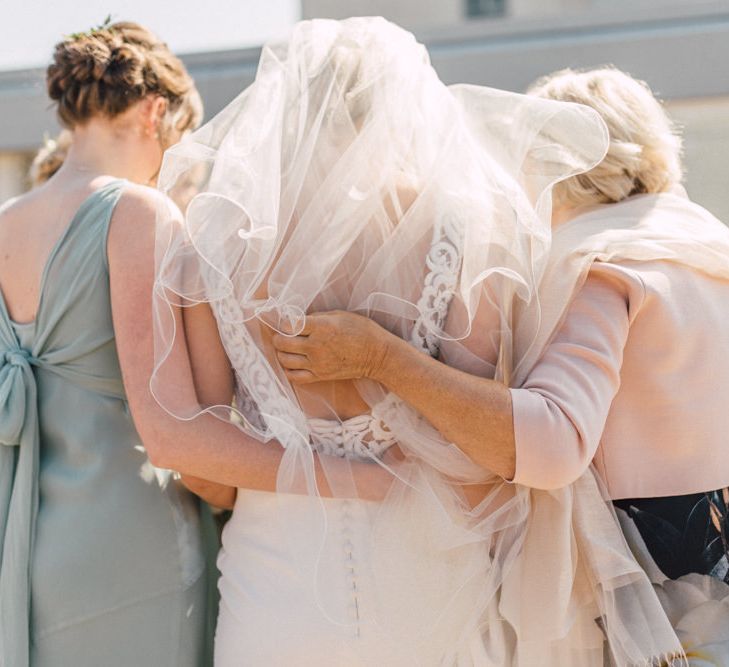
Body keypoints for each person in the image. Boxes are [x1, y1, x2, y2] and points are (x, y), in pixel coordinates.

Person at [153, 21, 684, 665]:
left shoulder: (217, 245)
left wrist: (293, 476)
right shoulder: (459, 233)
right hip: (431, 582)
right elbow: (484, 459)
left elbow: (208, 473)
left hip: (272, 591)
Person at [278, 66, 729, 663]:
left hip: (652, 611)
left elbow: (551, 442)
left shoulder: (602, 271)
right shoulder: (706, 255)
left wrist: (381, 357)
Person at [0, 20, 211, 666]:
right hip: (136, 548)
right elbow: (173, 423)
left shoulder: (6, 223)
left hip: (33, 550)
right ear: (155, 113)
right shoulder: (140, 213)